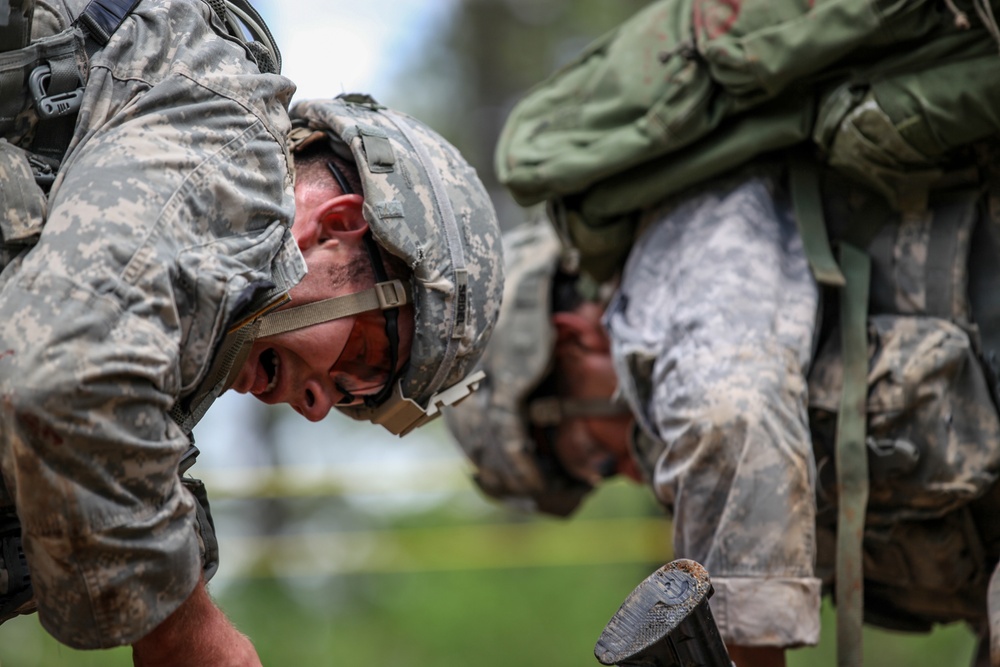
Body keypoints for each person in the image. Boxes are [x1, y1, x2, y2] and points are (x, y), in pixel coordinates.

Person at [0, 0, 503, 663]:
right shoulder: (233, 146)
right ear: (338, 224)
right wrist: (186, 633)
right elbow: (65, 378)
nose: (322, 405)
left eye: (354, 402)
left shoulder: (184, 299)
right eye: (363, 359)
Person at [445, 156, 1000, 667]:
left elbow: (729, 415)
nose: (629, 474)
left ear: (574, 344)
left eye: (597, 458)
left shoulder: (692, 258)